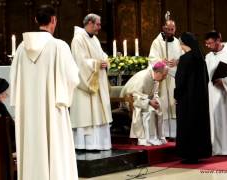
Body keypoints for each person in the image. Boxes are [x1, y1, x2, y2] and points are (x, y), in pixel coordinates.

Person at [10, 5, 79, 180]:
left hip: (28, 112)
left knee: (32, 144)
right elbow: (72, 78)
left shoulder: (20, 48)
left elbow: (15, 80)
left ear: (36, 21)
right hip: (52, 109)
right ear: (54, 20)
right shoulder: (59, 46)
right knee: (55, 145)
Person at [70, 13, 113, 150]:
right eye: (98, 24)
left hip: (97, 81)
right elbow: (79, 62)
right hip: (86, 86)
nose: (99, 28)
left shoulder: (94, 39)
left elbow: (102, 56)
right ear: (90, 23)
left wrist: (105, 62)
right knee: (87, 114)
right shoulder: (78, 39)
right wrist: (95, 64)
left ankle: (100, 143)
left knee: (98, 113)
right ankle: (86, 145)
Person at [174, 32, 212, 163]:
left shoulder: (185, 59)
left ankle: (188, 154)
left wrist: (177, 95)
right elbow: (207, 79)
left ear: (183, 43)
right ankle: (199, 152)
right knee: (199, 125)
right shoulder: (200, 58)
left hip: (187, 100)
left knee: (187, 125)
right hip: (200, 99)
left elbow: (180, 81)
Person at [148, 19, 183, 138]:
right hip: (162, 77)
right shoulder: (157, 43)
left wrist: (178, 61)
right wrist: (161, 62)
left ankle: (174, 133)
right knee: (163, 102)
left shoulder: (178, 42)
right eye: (167, 29)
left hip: (174, 78)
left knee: (173, 103)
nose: (170, 32)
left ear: (175, 29)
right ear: (163, 28)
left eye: (172, 29)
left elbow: (183, 58)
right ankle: (163, 133)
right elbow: (152, 58)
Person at [120, 61, 168, 146]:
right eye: (164, 75)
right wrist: (149, 102)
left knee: (159, 108)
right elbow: (135, 95)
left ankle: (157, 137)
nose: (165, 77)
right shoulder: (144, 77)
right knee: (150, 110)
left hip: (143, 100)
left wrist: (155, 101)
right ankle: (146, 138)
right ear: (157, 72)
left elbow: (154, 94)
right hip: (129, 101)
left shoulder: (155, 78)